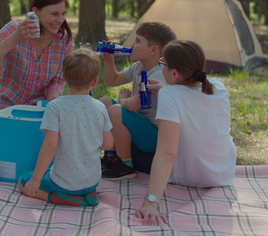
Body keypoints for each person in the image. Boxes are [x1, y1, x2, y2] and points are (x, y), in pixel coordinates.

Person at [136, 40, 237, 225]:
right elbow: (191, 97)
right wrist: (168, 89)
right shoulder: (219, 87)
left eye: (162, 63)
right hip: (222, 173)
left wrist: (151, 202)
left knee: (131, 146)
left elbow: (167, 153)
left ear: (174, 74)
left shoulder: (170, 96)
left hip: (188, 176)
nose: (160, 65)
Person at [0, 0, 73, 168]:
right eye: (54, 14)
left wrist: (51, 103)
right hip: (3, 111)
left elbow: (58, 79)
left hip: (39, 114)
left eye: (63, 13)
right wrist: (15, 39)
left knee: (43, 164)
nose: (60, 20)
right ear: (35, 11)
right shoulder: (13, 29)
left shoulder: (64, 41)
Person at [18, 48, 114, 206]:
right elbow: (109, 145)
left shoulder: (55, 107)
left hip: (63, 183)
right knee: (53, 172)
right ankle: (88, 194)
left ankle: (59, 198)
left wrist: (35, 180)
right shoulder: (100, 107)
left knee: (23, 181)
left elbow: (50, 146)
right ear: (95, 81)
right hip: (92, 181)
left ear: (63, 77)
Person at [100, 22, 176, 180]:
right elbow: (112, 80)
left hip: (155, 136)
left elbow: (134, 104)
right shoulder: (138, 66)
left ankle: (126, 165)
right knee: (105, 102)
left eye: (137, 41)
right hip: (141, 126)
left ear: (153, 50)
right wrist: (109, 61)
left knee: (116, 110)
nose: (131, 45)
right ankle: (111, 157)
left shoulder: (158, 74)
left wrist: (122, 99)